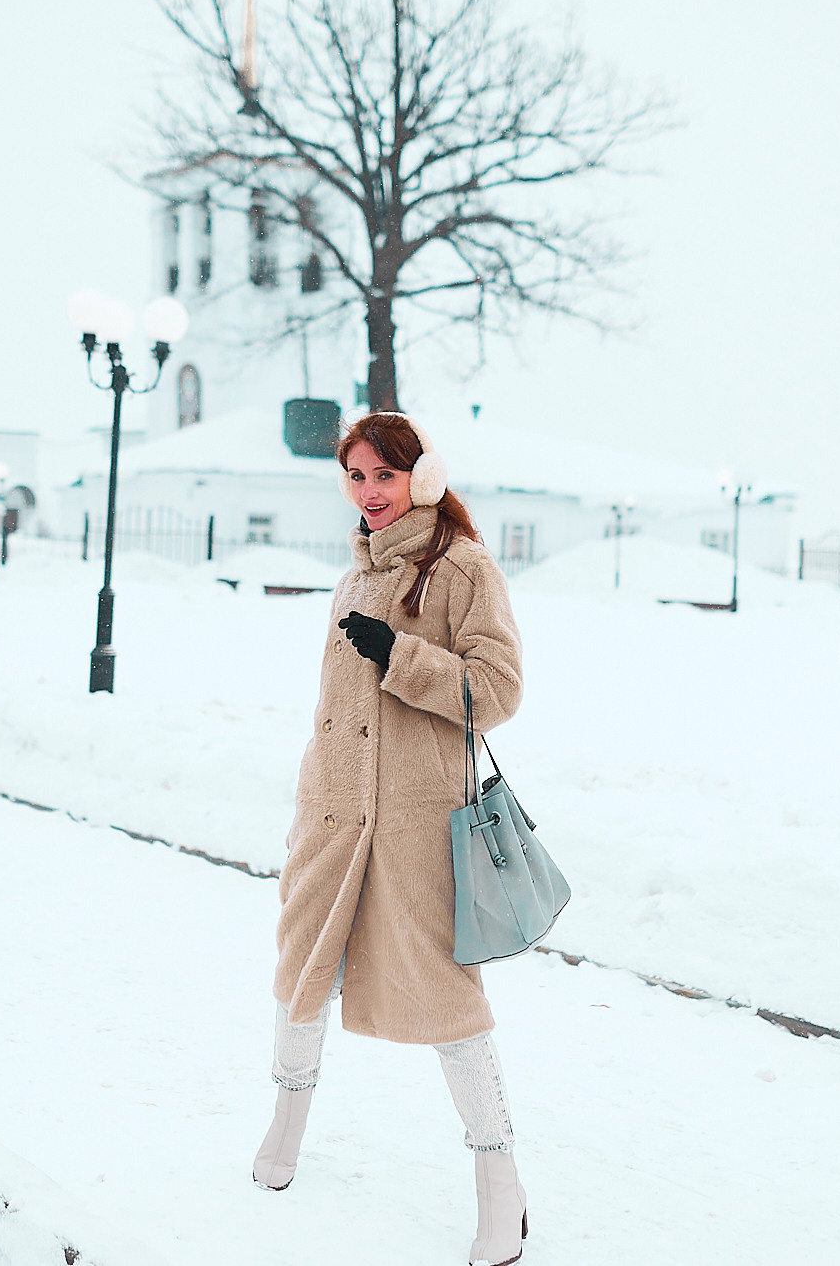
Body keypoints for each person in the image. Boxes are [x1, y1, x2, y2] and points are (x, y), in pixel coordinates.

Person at [252, 411, 529, 1266]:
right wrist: (309, 804)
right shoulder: (350, 578)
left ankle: (500, 1184)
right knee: (302, 980)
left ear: (422, 475)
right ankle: (285, 1126)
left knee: (448, 1005)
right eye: (356, 477)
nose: (370, 493)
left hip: (414, 828)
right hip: (333, 822)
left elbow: (498, 689)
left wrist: (403, 657)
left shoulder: (462, 568)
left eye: (385, 475)